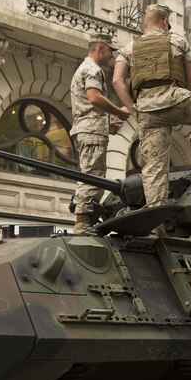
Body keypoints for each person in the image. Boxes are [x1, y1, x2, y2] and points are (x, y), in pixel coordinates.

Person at [112, 3, 191, 213]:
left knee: (155, 166)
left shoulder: (129, 48)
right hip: (177, 100)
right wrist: (182, 98)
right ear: (165, 21)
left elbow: (117, 81)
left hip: (148, 112)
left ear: (145, 23)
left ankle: (155, 216)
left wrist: (133, 109)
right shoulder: (177, 40)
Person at [69, 32, 132, 234]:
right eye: (110, 51)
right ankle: (82, 222)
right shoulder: (92, 69)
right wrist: (119, 112)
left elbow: (89, 106)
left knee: (92, 174)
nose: (111, 57)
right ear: (99, 48)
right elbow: (94, 98)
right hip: (91, 132)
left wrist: (107, 124)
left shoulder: (85, 68)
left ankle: (85, 219)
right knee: (92, 175)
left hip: (91, 129)